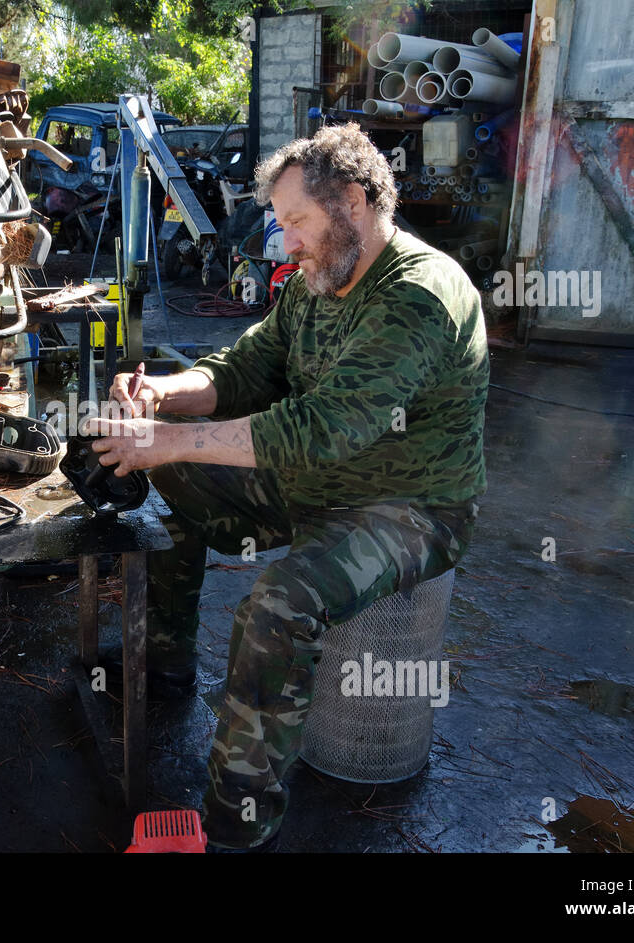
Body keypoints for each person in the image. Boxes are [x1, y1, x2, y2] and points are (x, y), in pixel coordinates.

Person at [87, 123, 489, 851]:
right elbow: (243, 369)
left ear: (357, 203)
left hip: (412, 506)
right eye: (282, 222)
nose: (286, 240)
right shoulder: (316, 282)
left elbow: (328, 426)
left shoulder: (419, 295)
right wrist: (162, 396)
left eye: (297, 220)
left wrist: (169, 438)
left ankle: (238, 818)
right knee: (165, 475)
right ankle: (167, 660)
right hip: (316, 484)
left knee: (279, 603)